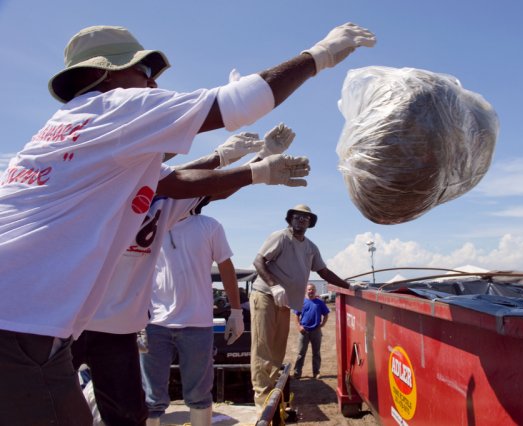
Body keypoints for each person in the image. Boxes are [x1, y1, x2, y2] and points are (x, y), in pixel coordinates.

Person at [0, 23, 376, 424]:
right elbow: (239, 103)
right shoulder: (117, 106)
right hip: (23, 323)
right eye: (144, 72)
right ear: (104, 75)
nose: (152, 84)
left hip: (34, 319)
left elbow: (176, 182)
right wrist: (319, 55)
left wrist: (254, 168)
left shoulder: (66, 131)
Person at [71, 124, 299, 426]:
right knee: (59, 400)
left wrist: (256, 163)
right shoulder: (101, 192)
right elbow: (176, 179)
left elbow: (204, 185)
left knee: (137, 409)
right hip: (76, 318)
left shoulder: (172, 211)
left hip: (136, 326)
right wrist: (227, 157)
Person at [251, 204, 366, 411]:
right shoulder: (281, 237)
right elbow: (258, 261)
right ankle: (262, 402)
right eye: (297, 216)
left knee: (277, 350)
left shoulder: (310, 247)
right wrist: (274, 285)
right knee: (263, 349)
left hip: (284, 302)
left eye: (306, 218)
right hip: (266, 296)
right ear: (290, 219)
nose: (301, 220)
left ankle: (272, 398)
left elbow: (324, 272)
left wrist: (349, 286)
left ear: (310, 223)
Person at [140, 210, 238, 426]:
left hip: (197, 323)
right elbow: (133, 267)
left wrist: (237, 311)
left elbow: (226, 266)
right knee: (150, 397)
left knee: (200, 394)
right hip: (153, 323)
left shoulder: (210, 226)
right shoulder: (149, 223)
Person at [292, 283, 330, 379]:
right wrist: (299, 327)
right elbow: (296, 315)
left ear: (315, 291)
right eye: (309, 289)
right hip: (304, 331)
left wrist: (322, 324)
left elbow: (326, 314)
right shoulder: (301, 302)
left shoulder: (320, 303)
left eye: (312, 289)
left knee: (316, 353)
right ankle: (297, 373)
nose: (311, 291)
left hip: (316, 331)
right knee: (301, 353)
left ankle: (316, 372)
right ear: (306, 291)